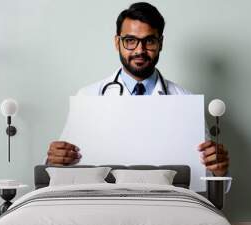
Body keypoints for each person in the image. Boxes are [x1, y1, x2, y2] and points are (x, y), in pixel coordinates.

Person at [46, 2, 229, 178]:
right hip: (105, 202)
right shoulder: (88, 97)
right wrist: (54, 161)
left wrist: (218, 170)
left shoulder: (186, 100)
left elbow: (206, 178)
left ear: (160, 43)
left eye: (149, 41)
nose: (139, 50)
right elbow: (61, 168)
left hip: (166, 204)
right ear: (117, 42)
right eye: (130, 40)